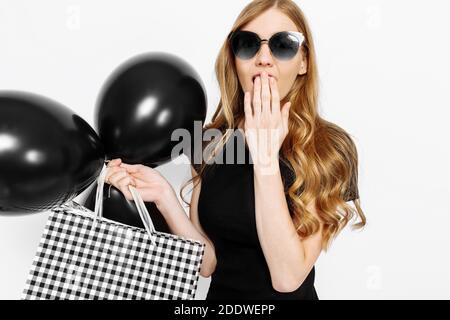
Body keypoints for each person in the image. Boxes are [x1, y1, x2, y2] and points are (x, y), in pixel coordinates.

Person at [104, 0, 366, 300]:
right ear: (234, 58)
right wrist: (164, 197)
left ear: (303, 61)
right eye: (248, 44)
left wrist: (265, 158)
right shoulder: (208, 141)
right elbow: (208, 263)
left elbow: (287, 277)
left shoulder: (330, 147)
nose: (264, 58)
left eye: (283, 44)